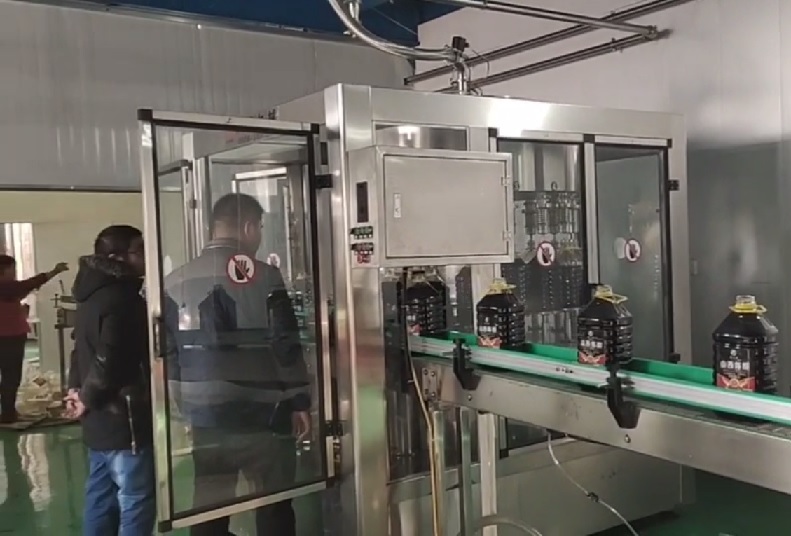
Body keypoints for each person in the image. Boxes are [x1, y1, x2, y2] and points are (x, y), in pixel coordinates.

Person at [164, 193, 310, 536]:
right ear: (248, 228)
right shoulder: (266, 276)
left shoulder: (174, 280)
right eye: (259, 227)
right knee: (273, 501)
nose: (258, 235)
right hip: (262, 411)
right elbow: (284, 342)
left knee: (211, 502)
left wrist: (183, 402)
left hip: (203, 412)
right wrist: (300, 400)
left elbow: (168, 351)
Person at [65, 225, 154, 536]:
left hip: (98, 418)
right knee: (135, 498)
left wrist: (76, 391)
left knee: (101, 495)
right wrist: (87, 397)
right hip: (123, 418)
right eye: (139, 250)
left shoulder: (90, 295)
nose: (146, 257)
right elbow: (110, 359)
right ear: (117, 258)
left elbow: (79, 350)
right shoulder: (123, 298)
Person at [0, 255, 68, 423]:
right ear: (4, 270)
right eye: (12, 269)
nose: (14, 272)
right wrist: (54, 271)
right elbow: (28, 285)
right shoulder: (7, 287)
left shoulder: (9, 289)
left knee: (8, 375)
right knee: (11, 375)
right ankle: (8, 414)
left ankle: (8, 411)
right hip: (9, 336)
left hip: (9, 335)